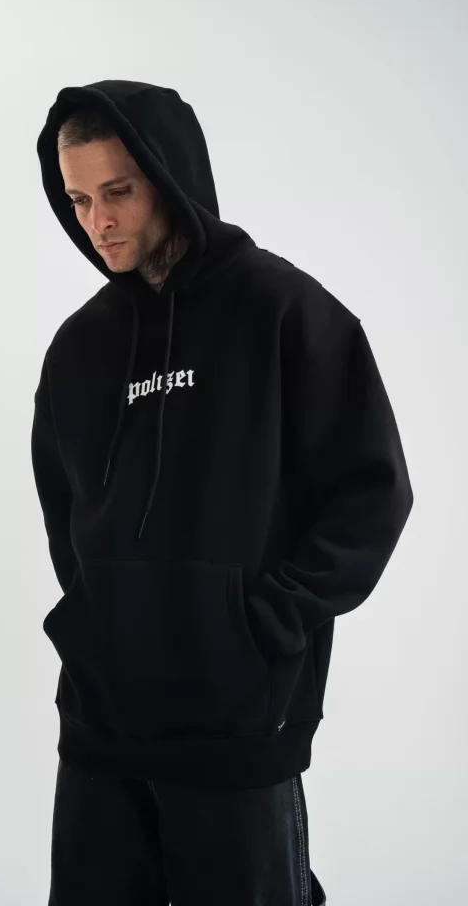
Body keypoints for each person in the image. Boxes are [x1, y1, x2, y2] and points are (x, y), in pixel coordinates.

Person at [31, 79, 414, 905]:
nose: (97, 221)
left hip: (236, 719)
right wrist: (99, 618)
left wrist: (258, 626)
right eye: (78, 200)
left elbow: (371, 491)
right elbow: (65, 515)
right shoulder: (78, 348)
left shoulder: (283, 312)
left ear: (169, 177)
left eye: (118, 192)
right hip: (100, 718)